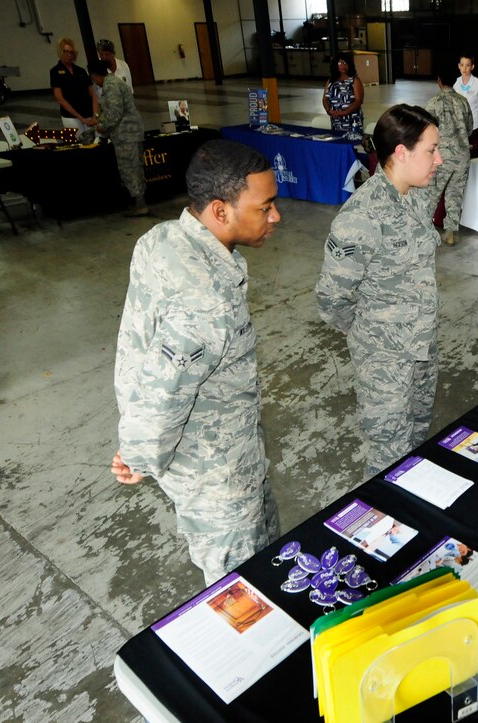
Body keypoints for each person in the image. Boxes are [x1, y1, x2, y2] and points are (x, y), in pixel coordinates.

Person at [112, 140, 282, 585]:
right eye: (265, 207)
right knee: (240, 588)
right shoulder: (208, 304)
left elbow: (142, 347)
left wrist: (137, 445)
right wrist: (140, 454)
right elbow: (164, 390)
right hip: (216, 473)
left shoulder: (163, 238)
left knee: (263, 559)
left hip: (226, 443)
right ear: (220, 211)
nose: (276, 217)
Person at [316, 104, 443, 480]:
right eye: (431, 150)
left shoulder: (415, 196)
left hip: (421, 346)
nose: (439, 158)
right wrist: (369, 336)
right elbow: (331, 298)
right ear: (401, 153)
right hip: (385, 360)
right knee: (388, 455)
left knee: (418, 436)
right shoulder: (361, 217)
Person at [89, 60, 148, 216]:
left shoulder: (111, 86)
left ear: (96, 75)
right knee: (136, 167)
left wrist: (102, 126)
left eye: (93, 78)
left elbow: (114, 113)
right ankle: (139, 202)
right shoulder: (114, 82)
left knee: (129, 169)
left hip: (126, 134)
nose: (94, 81)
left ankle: (140, 204)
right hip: (131, 132)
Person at [426, 75, 473, 246]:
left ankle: (424, 231)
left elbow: (426, 131)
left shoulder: (434, 102)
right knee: (455, 194)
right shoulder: (463, 101)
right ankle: (450, 232)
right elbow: (469, 128)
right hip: (462, 155)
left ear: (439, 80)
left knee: (431, 194)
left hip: (442, 156)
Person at [50, 37, 99, 130]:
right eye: (66, 52)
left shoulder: (81, 71)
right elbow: (60, 99)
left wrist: (95, 116)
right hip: (71, 117)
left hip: (88, 114)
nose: (69, 55)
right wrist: (80, 118)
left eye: (71, 52)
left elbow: (93, 95)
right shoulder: (55, 72)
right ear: (61, 52)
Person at [324, 52, 364, 139]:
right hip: (336, 120)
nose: (343, 66)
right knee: (337, 142)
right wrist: (328, 110)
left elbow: (358, 101)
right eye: (340, 63)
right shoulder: (330, 81)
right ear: (335, 65)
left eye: (346, 63)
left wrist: (345, 112)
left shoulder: (354, 80)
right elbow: (325, 99)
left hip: (352, 121)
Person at [453, 54, 478, 131]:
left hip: (476, 126)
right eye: (462, 65)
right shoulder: (455, 84)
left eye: (468, 65)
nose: (464, 68)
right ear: (458, 66)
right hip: (460, 126)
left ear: (472, 67)